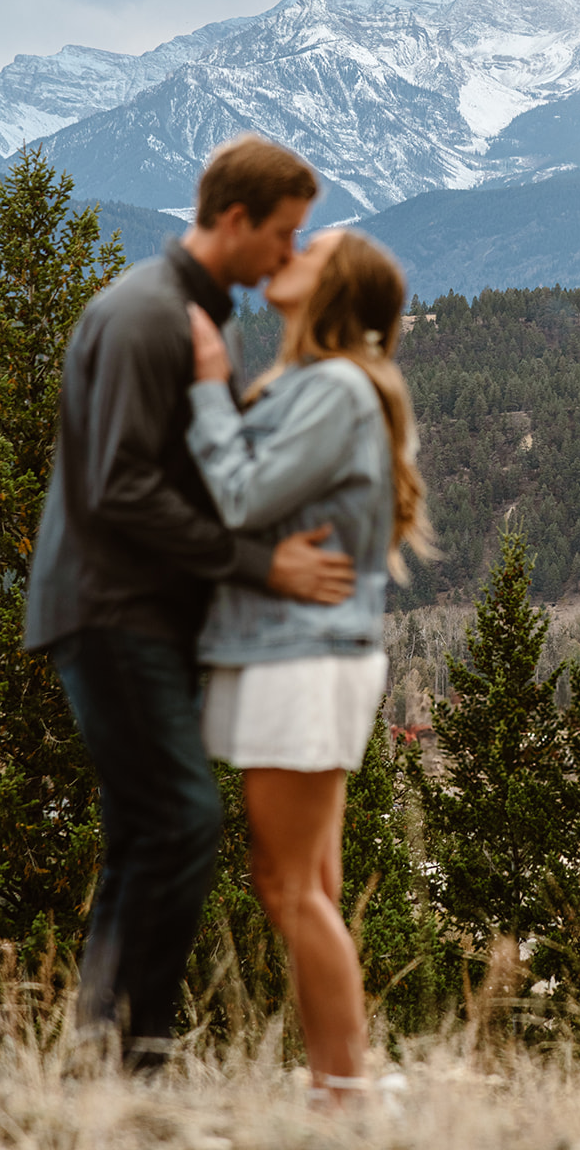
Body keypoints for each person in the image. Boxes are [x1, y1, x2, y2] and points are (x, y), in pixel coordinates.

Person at [24, 135, 356, 1069]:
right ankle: (139, 1057)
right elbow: (120, 486)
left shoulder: (198, 319)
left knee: (143, 833)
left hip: (141, 609)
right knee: (180, 818)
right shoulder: (148, 316)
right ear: (236, 219)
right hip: (108, 605)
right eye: (285, 233)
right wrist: (261, 566)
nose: (290, 254)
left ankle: (106, 1061)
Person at [184, 225, 431, 1106]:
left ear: (335, 288)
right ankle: (340, 1078)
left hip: (303, 653)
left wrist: (209, 387)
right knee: (309, 881)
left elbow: (243, 495)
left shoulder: (330, 387)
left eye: (313, 247)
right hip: (305, 650)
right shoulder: (319, 383)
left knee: (285, 882)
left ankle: (345, 1089)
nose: (290, 247)